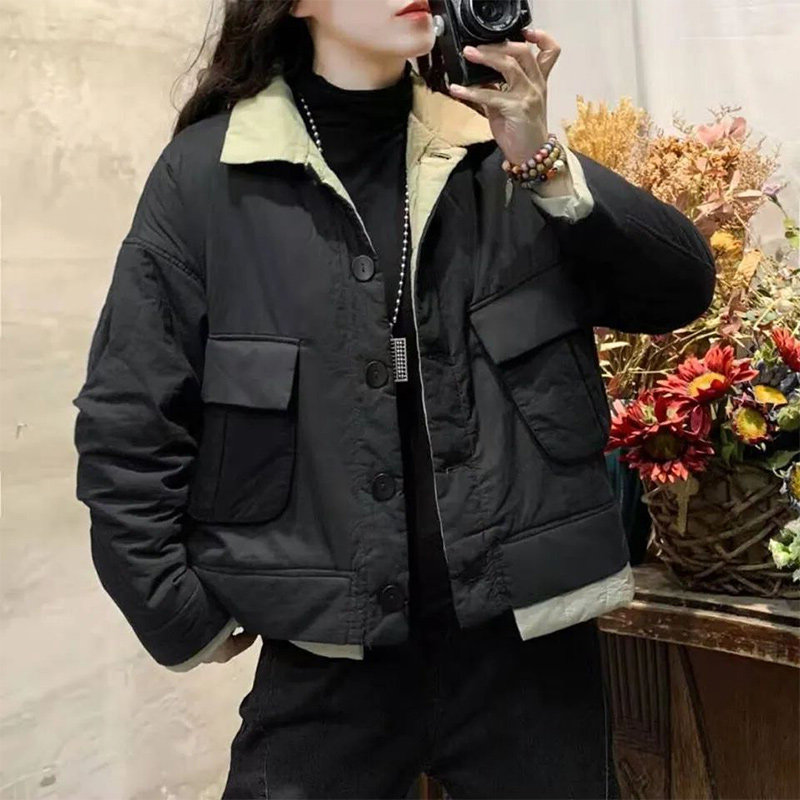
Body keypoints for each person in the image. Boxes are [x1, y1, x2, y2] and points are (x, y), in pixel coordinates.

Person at [72, 0, 716, 796]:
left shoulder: (493, 152)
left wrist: (540, 155)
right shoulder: (209, 177)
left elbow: (679, 288)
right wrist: (180, 614)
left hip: (526, 654)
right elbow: (128, 421)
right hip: (325, 660)